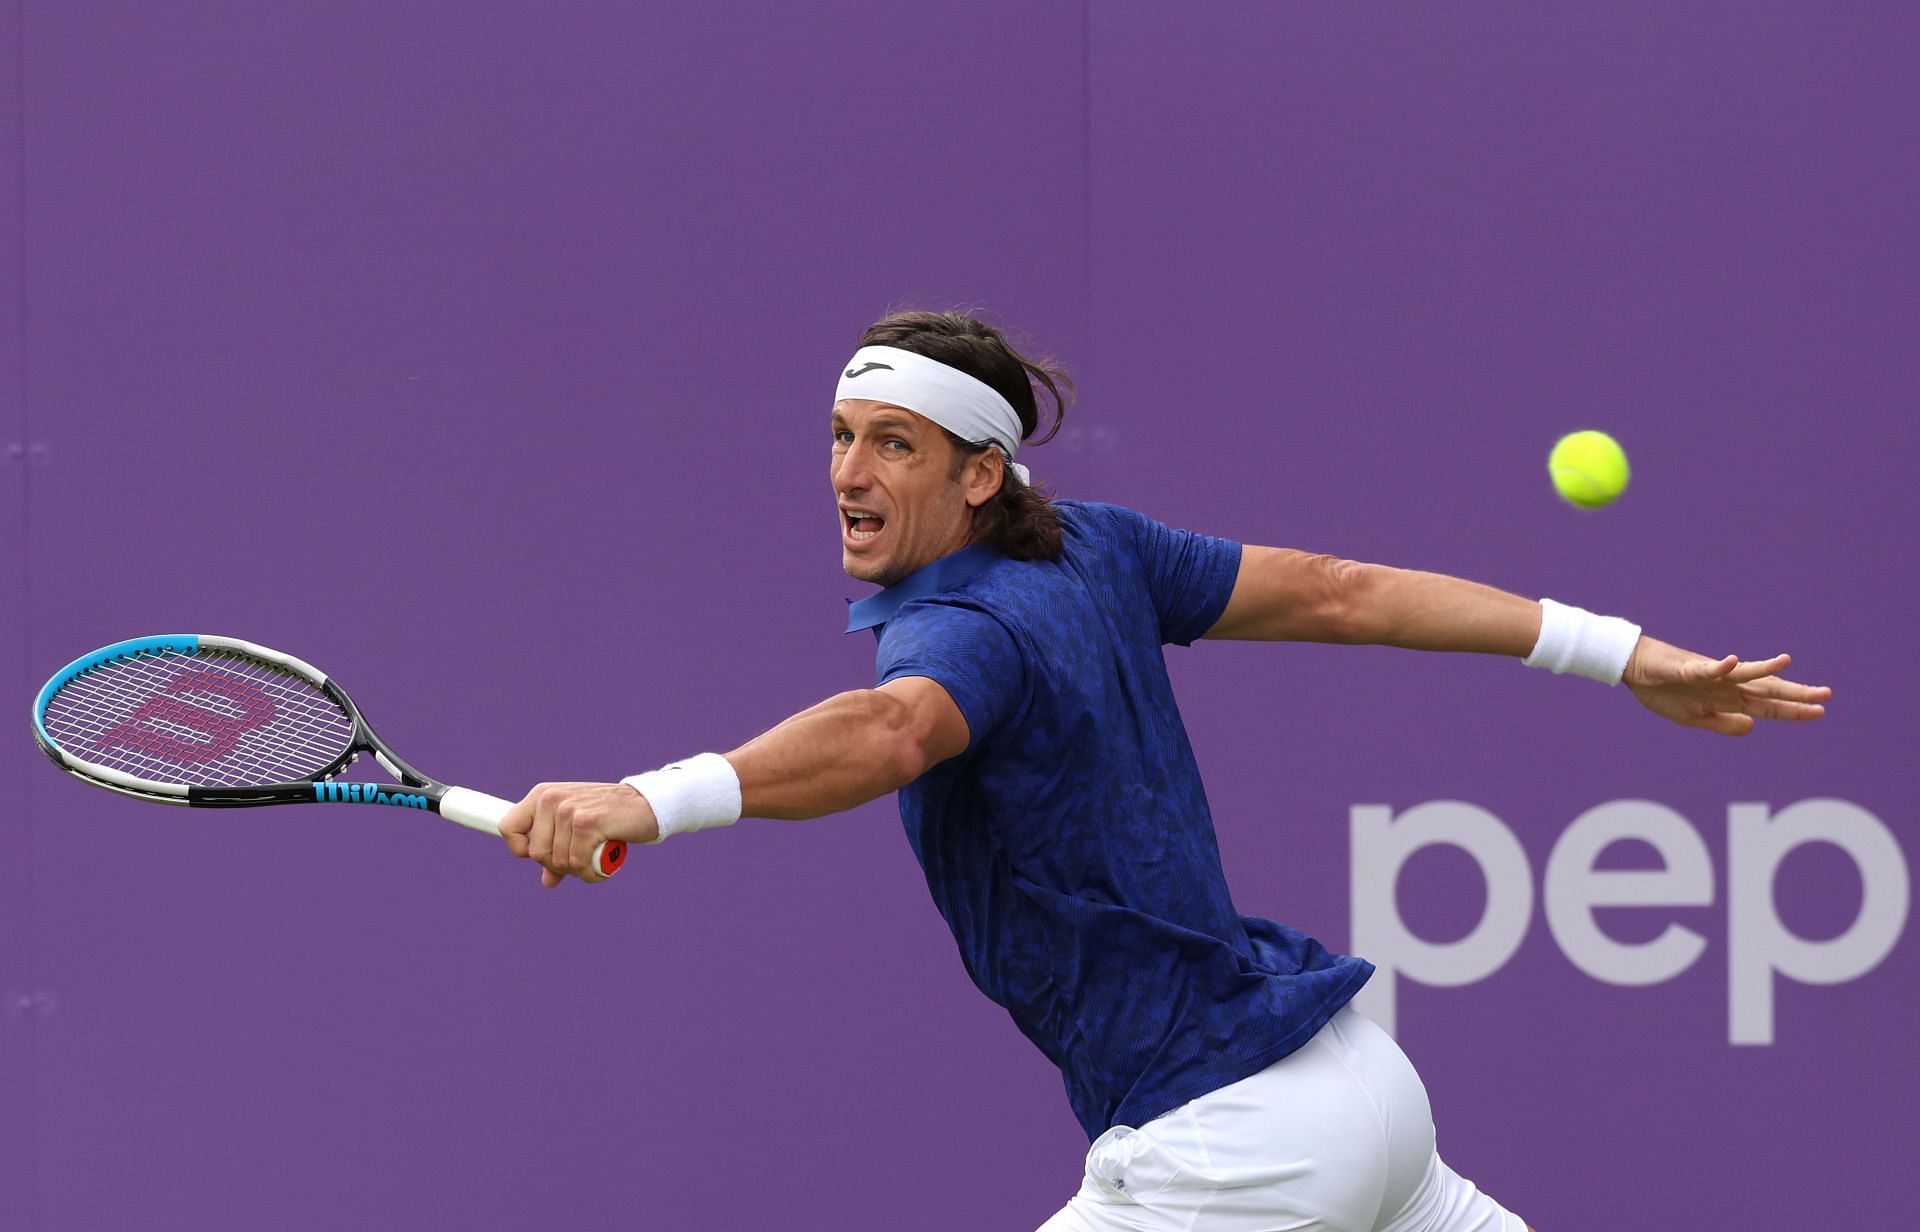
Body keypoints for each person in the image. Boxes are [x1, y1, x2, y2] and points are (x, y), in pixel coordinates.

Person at [498, 310, 1831, 1232]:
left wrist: (649, 798)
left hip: (1230, 1152)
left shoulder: (965, 630)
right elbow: (1342, 593)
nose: (850, 472)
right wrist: (1626, 653)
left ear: (978, 474)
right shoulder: (1098, 548)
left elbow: (891, 733)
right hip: (1359, 1096)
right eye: (842, 435)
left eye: (893, 445)